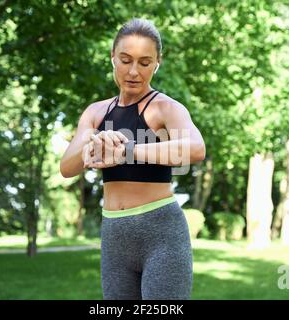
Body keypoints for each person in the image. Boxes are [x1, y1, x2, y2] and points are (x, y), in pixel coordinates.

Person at [60, 18, 206, 300]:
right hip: (114, 235)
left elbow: (195, 149)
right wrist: (93, 146)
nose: (134, 72)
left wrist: (127, 149)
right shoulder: (96, 113)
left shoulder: (164, 108)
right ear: (112, 57)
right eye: (125, 60)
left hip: (162, 234)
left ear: (157, 63)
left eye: (144, 62)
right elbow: (67, 168)